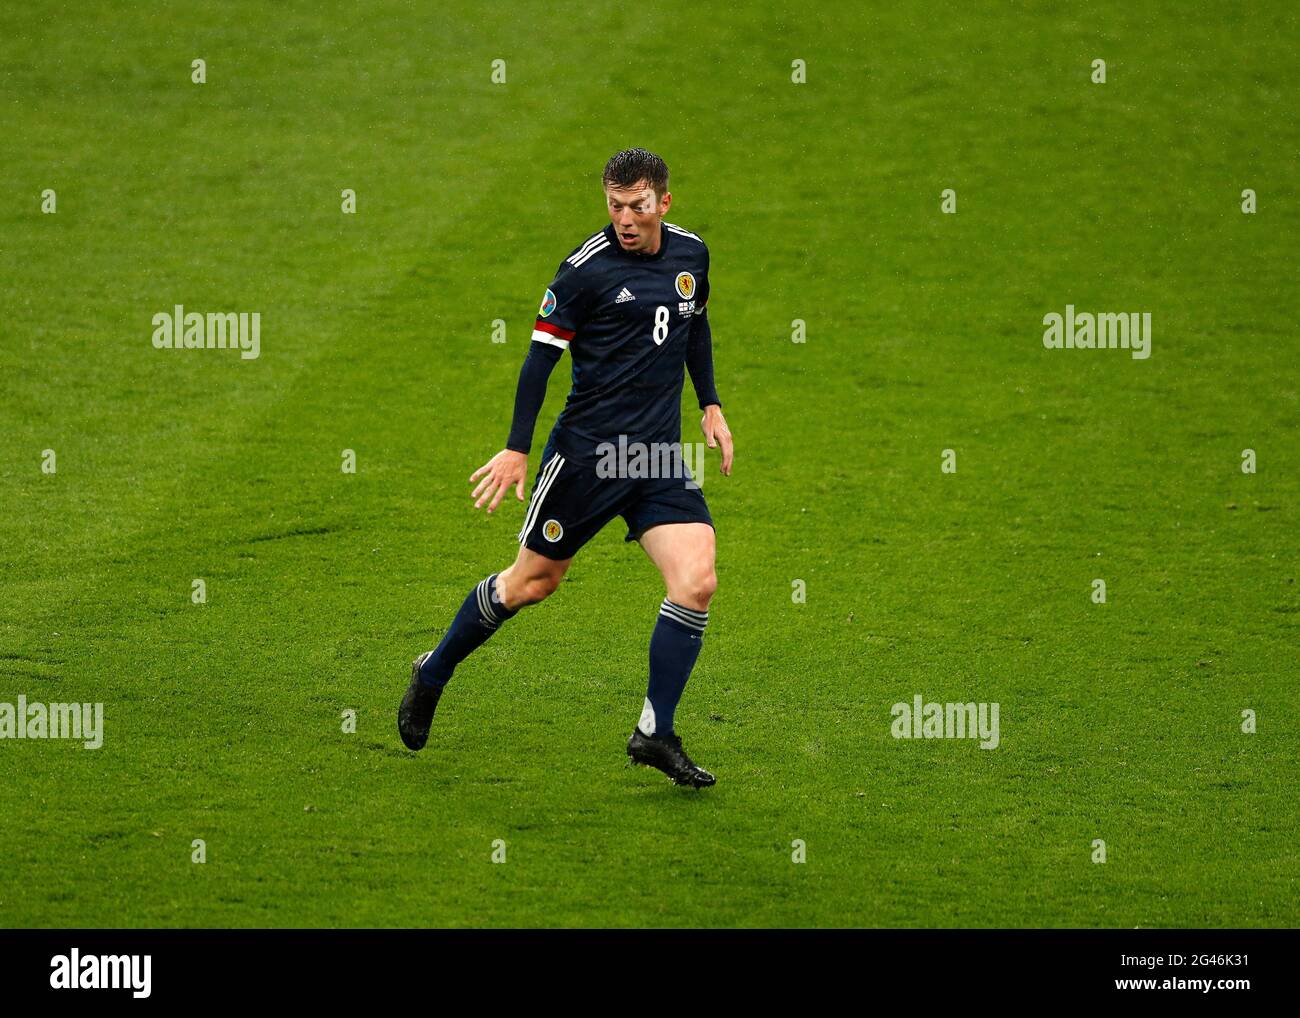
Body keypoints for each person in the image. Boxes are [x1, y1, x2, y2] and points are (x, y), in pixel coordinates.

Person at [398, 148, 734, 788]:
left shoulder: (692, 255)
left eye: (638, 206)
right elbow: (538, 360)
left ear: (664, 202)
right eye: (615, 205)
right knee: (532, 584)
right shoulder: (584, 272)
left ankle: (654, 733)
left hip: (656, 456)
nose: (626, 219)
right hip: (586, 458)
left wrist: (710, 403)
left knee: (697, 581)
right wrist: (518, 446)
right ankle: (434, 670)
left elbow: (696, 326)